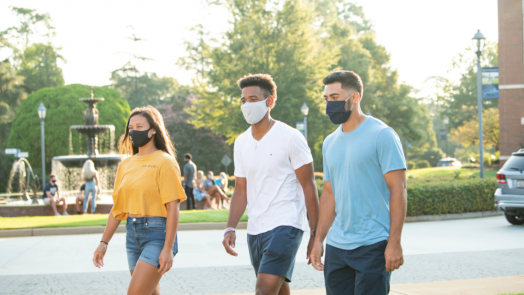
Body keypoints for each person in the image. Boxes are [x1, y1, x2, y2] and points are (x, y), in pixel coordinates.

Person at [310, 70, 407, 295]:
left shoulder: (382, 135)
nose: (329, 104)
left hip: (373, 244)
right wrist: (318, 239)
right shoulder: (329, 142)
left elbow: (398, 189)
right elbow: (329, 194)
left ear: (354, 98)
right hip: (337, 246)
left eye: (334, 97)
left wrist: (394, 242)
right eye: (326, 99)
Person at [222, 74, 319, 295]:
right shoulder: (241, 143)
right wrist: (230, 227)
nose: (247, 105)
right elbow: (240, 190)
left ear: (270, 102)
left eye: (253, 99)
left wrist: (315, 233)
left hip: (286, 223)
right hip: (256, 228)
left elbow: (308, 185)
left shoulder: (291, 137)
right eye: (243, 100)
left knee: (263, 290)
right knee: (278, 289)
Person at [92, 106, 187, 295]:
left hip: (157, 234)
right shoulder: (125, 164)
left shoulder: (164, 161)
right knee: (150, 292)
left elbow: (173, 207)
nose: (134, 131)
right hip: (132, 235)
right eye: (130, 128)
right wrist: (104, 243)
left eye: (139, 126)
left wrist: (168, 248)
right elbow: (117, 210)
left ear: (153, 130)